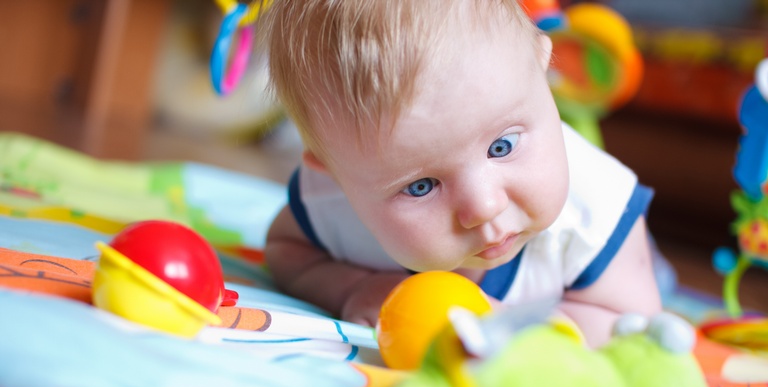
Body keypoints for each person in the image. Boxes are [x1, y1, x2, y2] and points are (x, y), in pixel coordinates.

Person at [261, 0, 662, 347]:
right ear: (335, 174)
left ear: (542, 66)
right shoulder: (335, 199)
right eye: (420, 186)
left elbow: (632, 327)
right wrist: (354, 288)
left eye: (502, 146)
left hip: (603, 271)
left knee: (654, 280)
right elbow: (286, 250)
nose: (484, 207)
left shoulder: (596, 214)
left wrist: (520, 333)